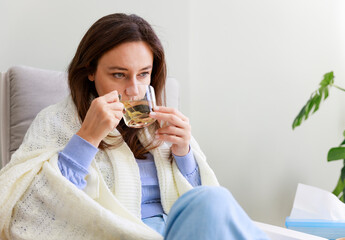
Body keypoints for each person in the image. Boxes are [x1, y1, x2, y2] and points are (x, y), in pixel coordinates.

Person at [0, 13, 270, 240]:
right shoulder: (55, 122)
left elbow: (204, 209)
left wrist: (184, 155)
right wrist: (86, 139)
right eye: (119, 75)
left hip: (179, 232)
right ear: (90, 72)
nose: (134, 89)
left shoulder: (162, 125)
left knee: (213, 201)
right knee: (213, 202)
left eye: (143, 74)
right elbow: (28, 213)